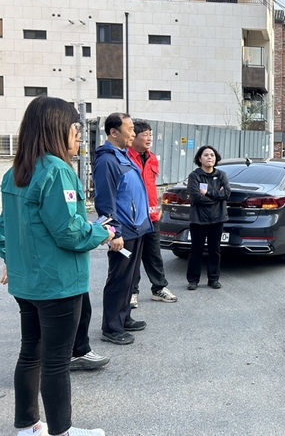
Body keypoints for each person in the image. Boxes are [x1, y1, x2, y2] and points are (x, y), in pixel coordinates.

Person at [0, 96, 113, 436]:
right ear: (57, 128)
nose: (78, 135)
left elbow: (4, 229)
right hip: (58, 284)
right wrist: (103, 233)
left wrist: (10, 261)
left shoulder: (13, 172)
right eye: (75, 128)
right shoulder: (57, 171)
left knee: (30, 353)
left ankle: (27, 426)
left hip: (26, 283)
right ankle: (60, 432)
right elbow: (70, 232)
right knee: (56, 361)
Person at [94, 113, 151, 345]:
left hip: (136, 227)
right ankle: (111, 327)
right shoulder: (108, 160)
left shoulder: (124, 156)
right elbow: (105, 200)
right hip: (123, 229)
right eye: (129, 129)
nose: (134, 134)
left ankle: (124, 316)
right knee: (119, 278)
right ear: (113, 132)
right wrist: (113, 232)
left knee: (130, 277)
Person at [126, 120, 177, 307]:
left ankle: (159, 288)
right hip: (132, 218)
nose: (149, 138)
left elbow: (151, 187)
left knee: (154, 254)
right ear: (134, 136)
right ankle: (132, 292)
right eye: (145, 134)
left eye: (150, 134)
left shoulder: (152, 158)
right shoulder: (125, 158)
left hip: (152, 216)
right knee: (132, 257)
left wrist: (158, 206)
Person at [186, 145, 230, 290]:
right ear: (200, 158)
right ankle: (193, 280)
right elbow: (196, 197)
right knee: (196, 250)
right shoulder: (194, 176)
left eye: (212, 155)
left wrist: (207, 193)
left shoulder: (221, 175)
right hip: (198, 219)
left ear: (216, 158)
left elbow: (227, 194)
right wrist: (217, 195)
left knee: (215, 249)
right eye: (206, 155)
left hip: (217, 219)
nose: (209, 157)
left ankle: (213, 279)